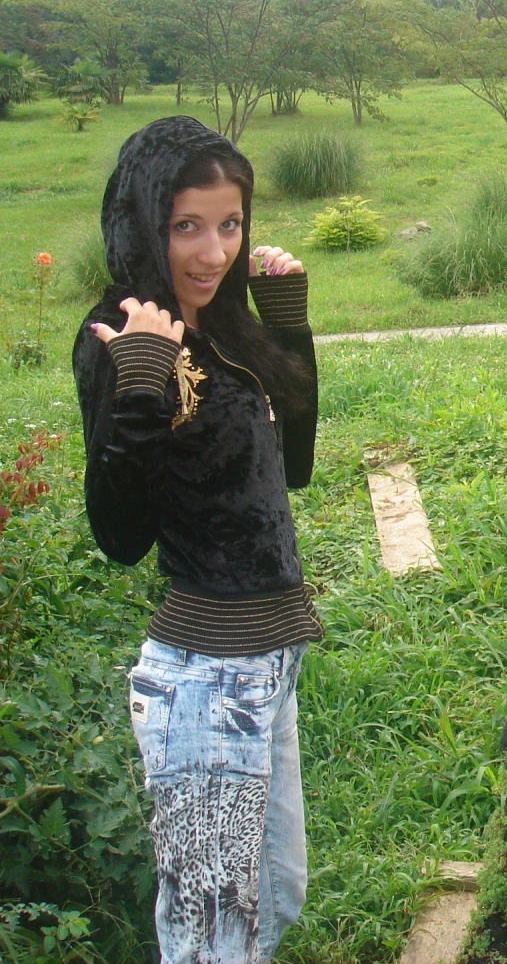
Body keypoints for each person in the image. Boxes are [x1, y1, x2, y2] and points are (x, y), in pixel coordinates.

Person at [73, 115, 322, 964]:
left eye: (230, 224)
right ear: (144, 222)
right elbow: (119, 534)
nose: (213, 252)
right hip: (207, 681)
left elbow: (291, 469)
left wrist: (286, 324)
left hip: (270, 663)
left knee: (277, 898)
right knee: (213, 939)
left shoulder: (223, 322)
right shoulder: (121, 334)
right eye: (186, 226)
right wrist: (142, 385)